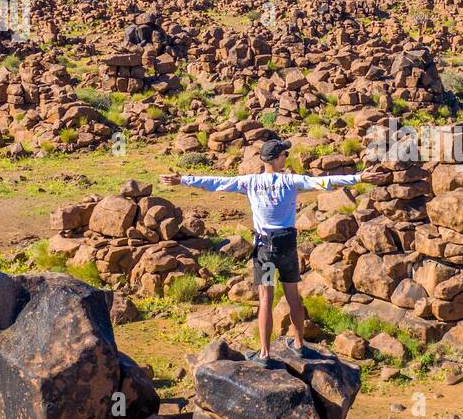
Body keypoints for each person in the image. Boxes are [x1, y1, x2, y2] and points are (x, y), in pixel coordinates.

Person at [160, 138, 387, 358]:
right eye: (284, 154)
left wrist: (183, 180)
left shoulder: (250, 182)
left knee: (266, 300)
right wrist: (359, 177)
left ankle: (265, 353)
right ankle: (298, 344)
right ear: (276, 159)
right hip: (287, 247)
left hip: (265, 251)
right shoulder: (292, 182)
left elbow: (216, 182)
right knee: (293, 297)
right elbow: (325, 182)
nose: (286, 157)